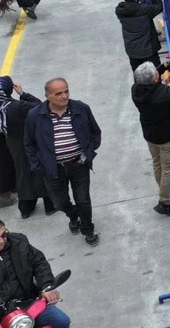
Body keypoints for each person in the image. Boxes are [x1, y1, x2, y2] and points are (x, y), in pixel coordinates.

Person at [24, 78, 102, 247]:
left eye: (66, 91)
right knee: (59, 202)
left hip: (78, 164)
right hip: (52, 169)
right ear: (47, 96)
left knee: (83, 200)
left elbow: (95, 133)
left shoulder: (81, 108)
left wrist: (87, 155)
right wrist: (38, 166)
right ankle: (74, 216)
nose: (64, 96)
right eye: (58, 93)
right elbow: (29, 143)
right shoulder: (34, 116)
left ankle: (88, 229)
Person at [131, 53, 170, 217]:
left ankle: (164, 190)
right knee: (167, 170)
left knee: (157, 164)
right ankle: (164, 201)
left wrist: (164, 67)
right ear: (155, 80)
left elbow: (149, 78)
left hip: (149, 135)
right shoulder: (162, 94)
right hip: (164, 137)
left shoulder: (136, 89)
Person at [0, 221, 71, 327]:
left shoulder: (19, 242)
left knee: (62, 321)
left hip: (29, 303)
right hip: (2, 314)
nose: (1, 241)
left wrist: (47, 286)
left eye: (3, 235)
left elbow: (39, 263)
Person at [0, 77, 53, 219]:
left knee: (22, 173)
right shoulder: (17, 106)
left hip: (13, 145)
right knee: (40, 172)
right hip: (29, 142)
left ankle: (25, 208)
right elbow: (38, 105)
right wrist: (22, 93)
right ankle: (49, 206)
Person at [116, 0, 163, 71]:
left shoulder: (120, 11)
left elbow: (134, 7)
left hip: (132, 51)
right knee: (155, 77)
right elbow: (159, 6)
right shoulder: (145, 10)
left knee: (139, 78)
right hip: (148, 50)